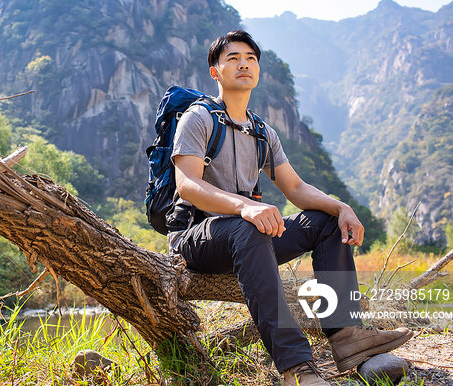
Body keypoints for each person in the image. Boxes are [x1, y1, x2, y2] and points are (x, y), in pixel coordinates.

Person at [167, 30, 412, 385]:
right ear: (215, 72)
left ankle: (347, 337)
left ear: (258, 71)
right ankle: (296, 367)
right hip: (195, 237)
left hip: (245, 235)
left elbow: (295, 188)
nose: (244, 64)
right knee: (247, 224)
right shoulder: (199, 118)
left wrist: (341, 206)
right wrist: (245, 207)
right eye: (233, 58)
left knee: (326, 221)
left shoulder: (262, 132)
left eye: (251, 58)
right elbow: (187, 184)